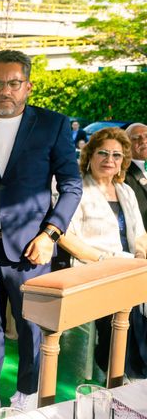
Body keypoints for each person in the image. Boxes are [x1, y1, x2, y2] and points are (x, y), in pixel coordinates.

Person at [0, 50, 82, 416]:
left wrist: (50, 234)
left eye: (13, 83)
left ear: (28, 86)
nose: (5, 90)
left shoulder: (53, 125)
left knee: (31, 325)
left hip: (32, 247)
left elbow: (71, 184)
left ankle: (29, 395)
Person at [58, 127, 147, 380]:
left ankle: (135, 368)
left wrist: (140, 259)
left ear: (123, 161)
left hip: (129, 266)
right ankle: (115, 369)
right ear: (90, 155)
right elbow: (65, 236)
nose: (110, 160)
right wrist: (103, 261)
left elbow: (140, 235)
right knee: (121, 306)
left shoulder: (126, 191)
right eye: (103, 153)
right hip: (92, 268)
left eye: (117, 156)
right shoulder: (76, 189)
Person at [124, 123, 147, 229]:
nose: (143, 141)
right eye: (136, 138)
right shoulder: (122, 174)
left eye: (146, 136)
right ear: (126, 144)